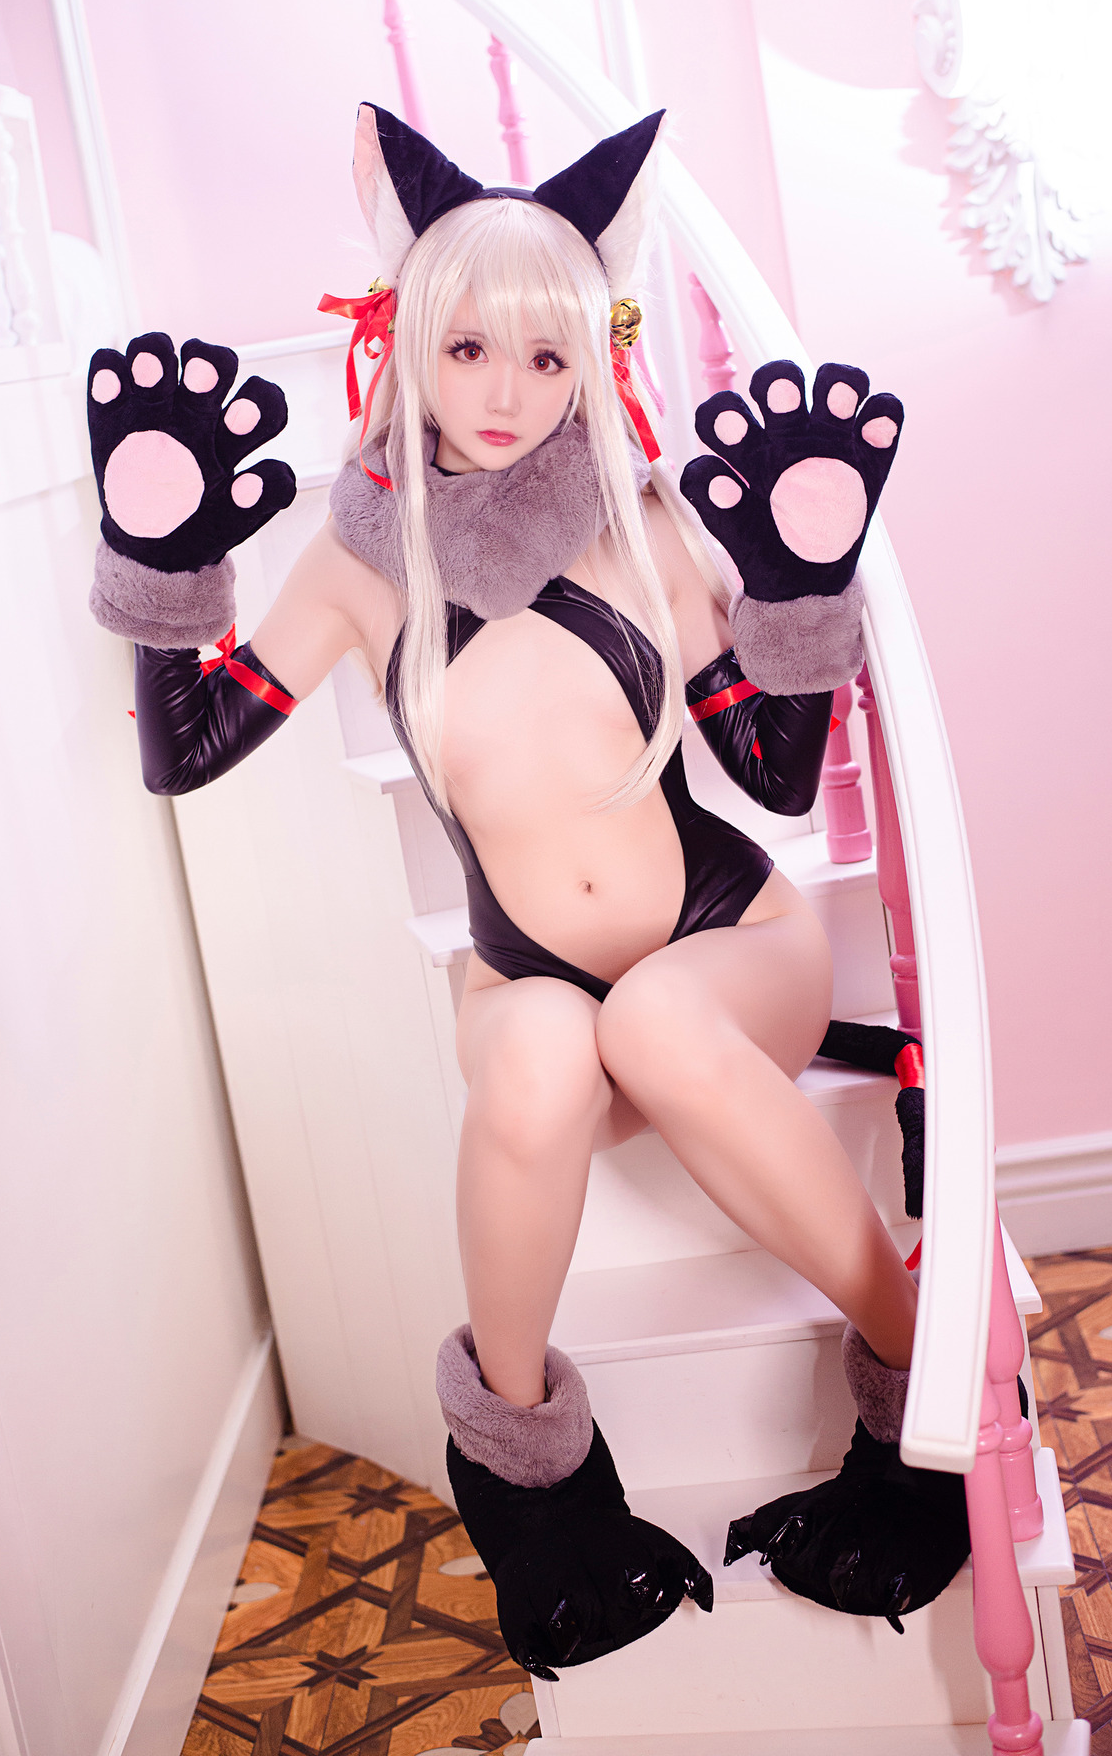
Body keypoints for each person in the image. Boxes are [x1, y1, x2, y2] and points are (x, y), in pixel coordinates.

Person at [85, 103, 968, 1680]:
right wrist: (165, 567)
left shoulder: (641, 522)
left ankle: (926, 1393)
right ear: (410, 342)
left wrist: (797, 591)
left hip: (727, 947)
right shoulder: (362, 557)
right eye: (472, 349)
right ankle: (531, 1484)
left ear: (589, 361)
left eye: (548, 357)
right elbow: (189, 750)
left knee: (656, 1026)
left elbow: (770, 781)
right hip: (531, 977)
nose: (507, 393)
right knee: (559, 1048)